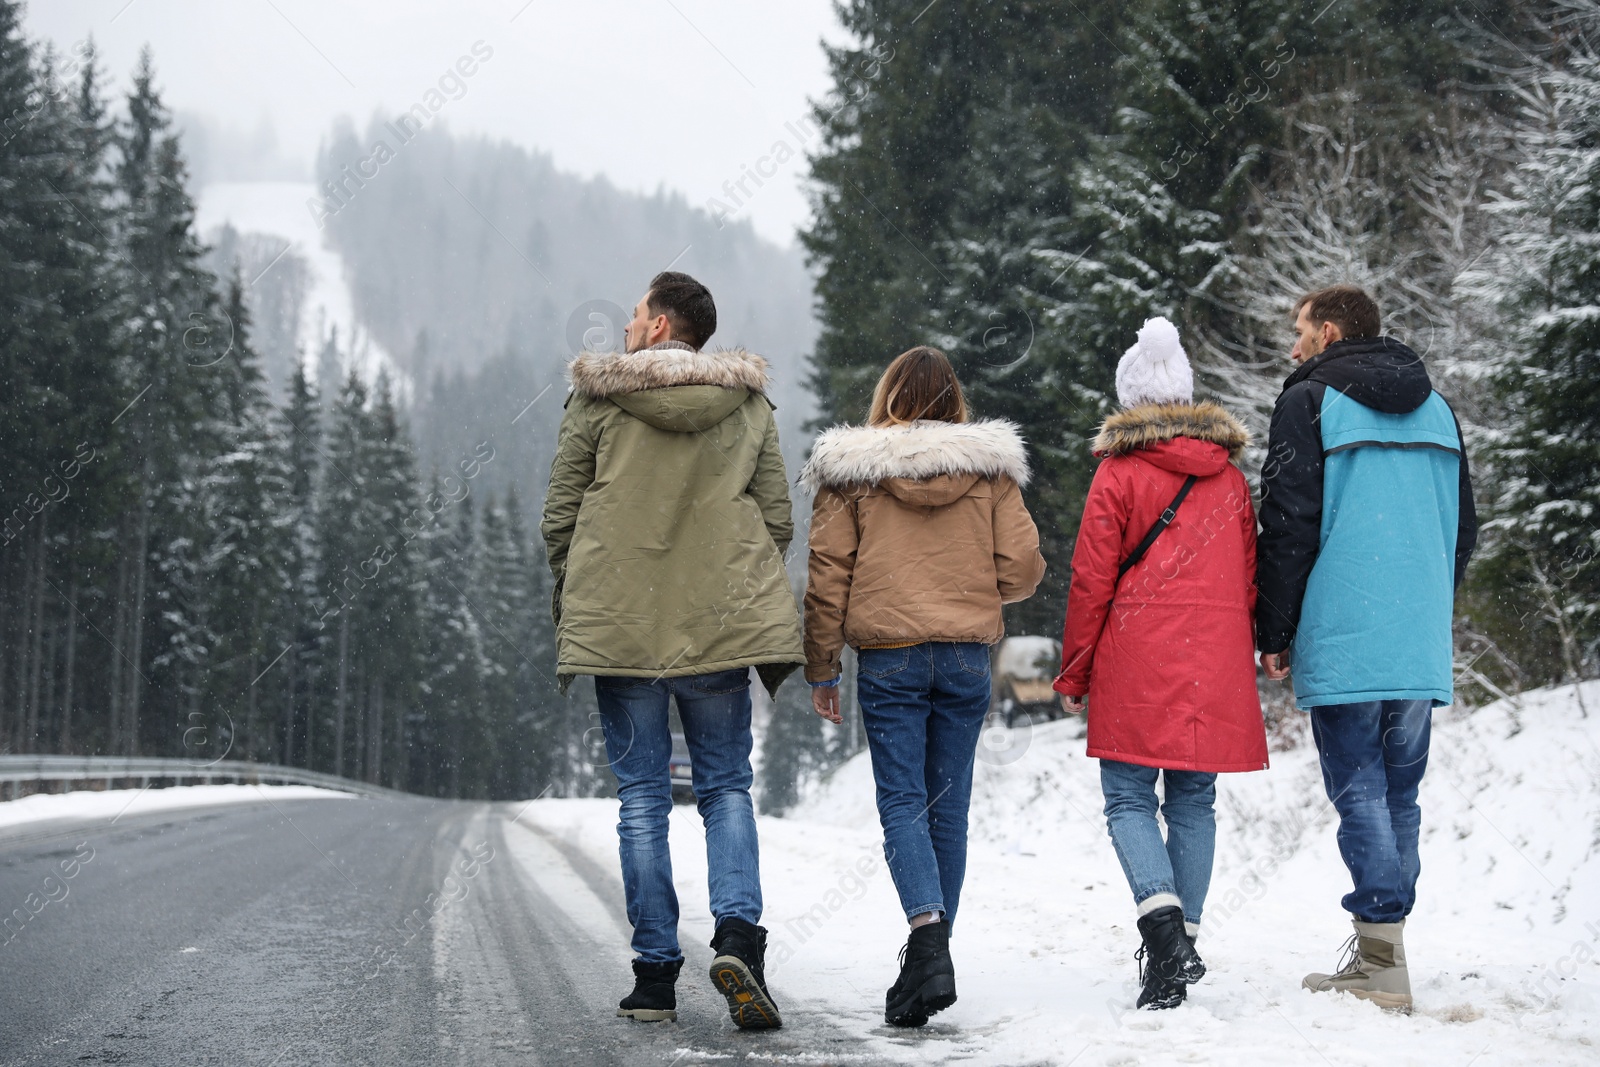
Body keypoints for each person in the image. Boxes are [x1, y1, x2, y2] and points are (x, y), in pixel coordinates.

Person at [540, 271, 804, 1029]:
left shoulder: (598, 401)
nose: (625, 326)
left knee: (643, 797)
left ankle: (655, 975)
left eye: (633, 314)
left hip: (622, 630)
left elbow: (559, 516)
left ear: (660, 326)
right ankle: (737, 940)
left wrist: (590, 586)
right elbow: (777, 519)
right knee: (725, 785)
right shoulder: (748, 404)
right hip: (717, 626)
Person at [801, 346, 1046, 1027]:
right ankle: (928, 961)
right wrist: (973, 583)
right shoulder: (990, 472)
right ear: (955, 402)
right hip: (967, 657)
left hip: (890, 657)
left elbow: (828, 575)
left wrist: (822, 664)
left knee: (904, 802)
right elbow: (1023, 570)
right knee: (949, 808)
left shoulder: (852, 471)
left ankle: (927, 941)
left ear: (889, 397)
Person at [1256, 284, 1477, 1013]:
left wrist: (1274, 629)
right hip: (1416, 632)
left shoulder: (1309, 402)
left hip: (1344, 627)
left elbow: (1288, 521)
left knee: (1357, 786)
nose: (1292, 348)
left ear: (1326, 332)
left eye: (1298, 332)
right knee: (1399, 790)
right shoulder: (1440, 408)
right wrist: (1425, 601)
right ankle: (1386, 950)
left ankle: (1381, 959)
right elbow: (1463, 529)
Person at [1051, 317, 1267, 1010]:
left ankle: (1165, 934)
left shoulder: (1118, 474)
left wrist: (1075, 669)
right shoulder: (1229, 479)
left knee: (1127, 799)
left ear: (1130, 398)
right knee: (1195, 799)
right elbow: (1248, 575)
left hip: (1135, 659)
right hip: (1212, 660)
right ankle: (1180, 946)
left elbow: (1091, 580)